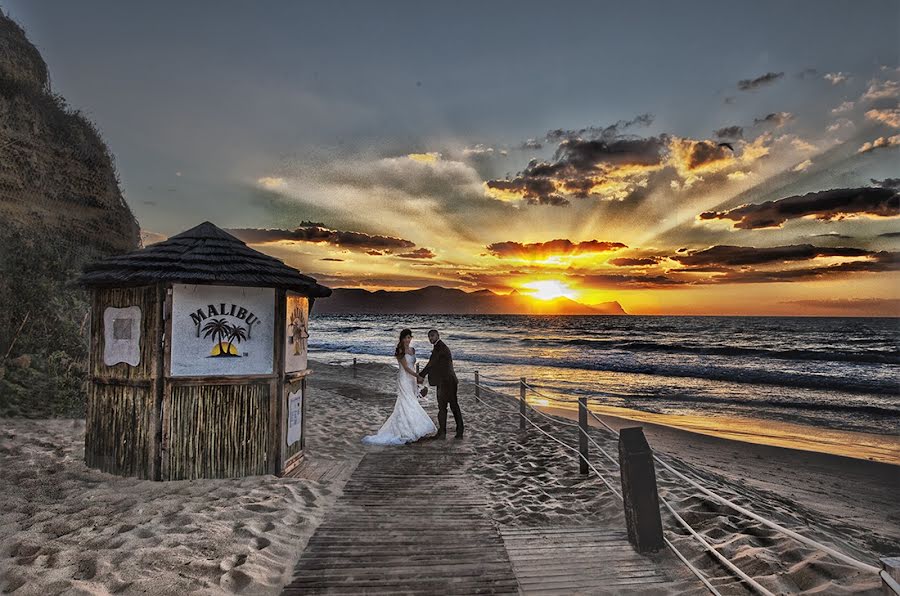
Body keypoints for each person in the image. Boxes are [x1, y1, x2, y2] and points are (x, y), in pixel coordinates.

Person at [362, 329, 437, 445]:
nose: (408, 339)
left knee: (412, 400)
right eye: (406, 337)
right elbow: (406, 368)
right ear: (402, 339)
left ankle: (413, 426)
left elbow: (412, 365)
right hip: (404, 379)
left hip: (411, 379)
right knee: (407, 401)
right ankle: (407, 430)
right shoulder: (400, 350)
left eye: (409, 337)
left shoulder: (412, 350)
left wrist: (416, 379)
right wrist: (418, 376)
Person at [418, 329, 464, 439]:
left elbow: (431, 363)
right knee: (444, 407)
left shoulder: (440, 347)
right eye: (429, 336)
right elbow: (434, 364)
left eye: (432, 336)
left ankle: (455, 431)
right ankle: (444, 432)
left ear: (438, 336)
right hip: (444, 381)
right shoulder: (438, 347)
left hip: (448, 382)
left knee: (451, 406)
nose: (430, 338)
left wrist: (422, 375)